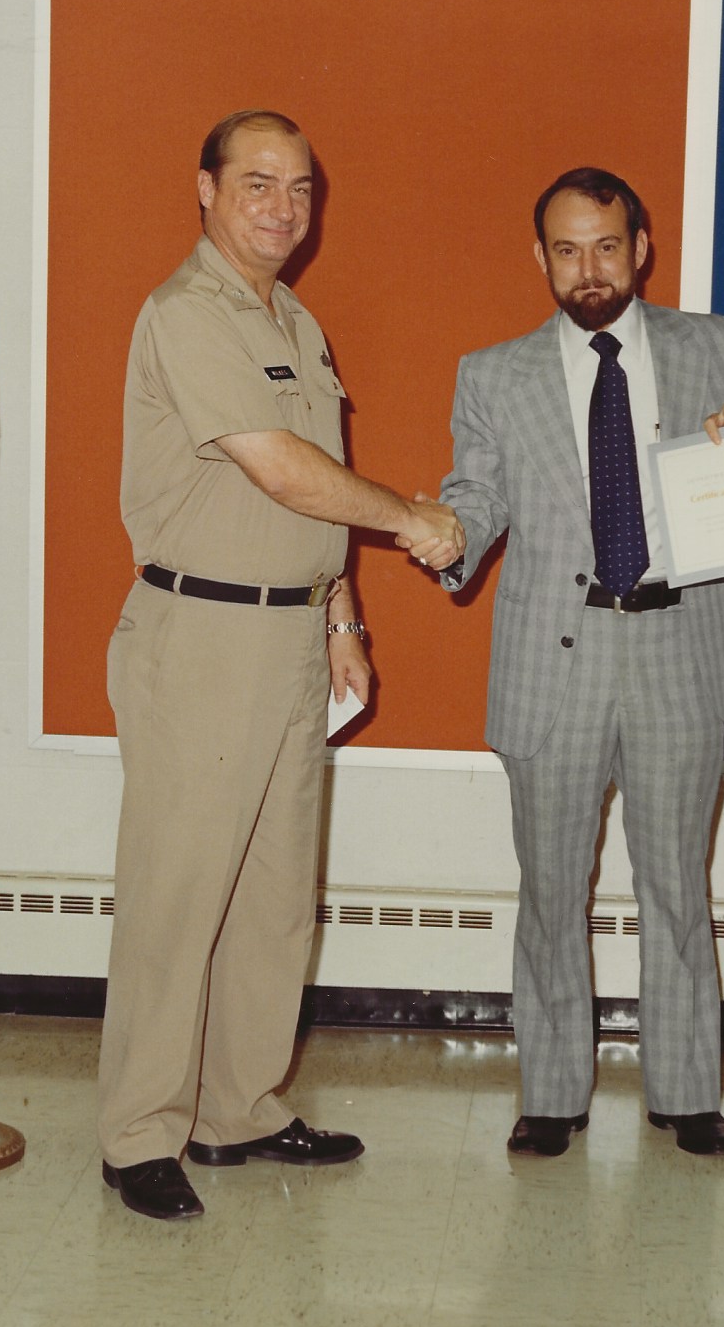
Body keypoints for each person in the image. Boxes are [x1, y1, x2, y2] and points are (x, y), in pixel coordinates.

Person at [98, 110, 463, 1221]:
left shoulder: (293, 319)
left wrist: (342, 612)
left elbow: (314, 501)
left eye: (300, 187)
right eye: (257, 182)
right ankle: (138, 1134)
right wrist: (415, 520)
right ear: (203, 187)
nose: (282, 207)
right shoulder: (187, 313)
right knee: (180, 895)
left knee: (269, 897)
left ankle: (239, 1108)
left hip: (292, 634)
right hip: (201, 637)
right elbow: (283, 471)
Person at [430, 167, 724, 1158]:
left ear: (642, 246)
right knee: (550, 885)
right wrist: (451, 532)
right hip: (553, 657)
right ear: (540, 257)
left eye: (607, 247)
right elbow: (476, 494)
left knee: (674, 881)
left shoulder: (710, 344)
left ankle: (687, 1089)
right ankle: (553, 1091)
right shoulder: (492, 374)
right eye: (566, 251)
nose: (589, 270)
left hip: (678, 645)